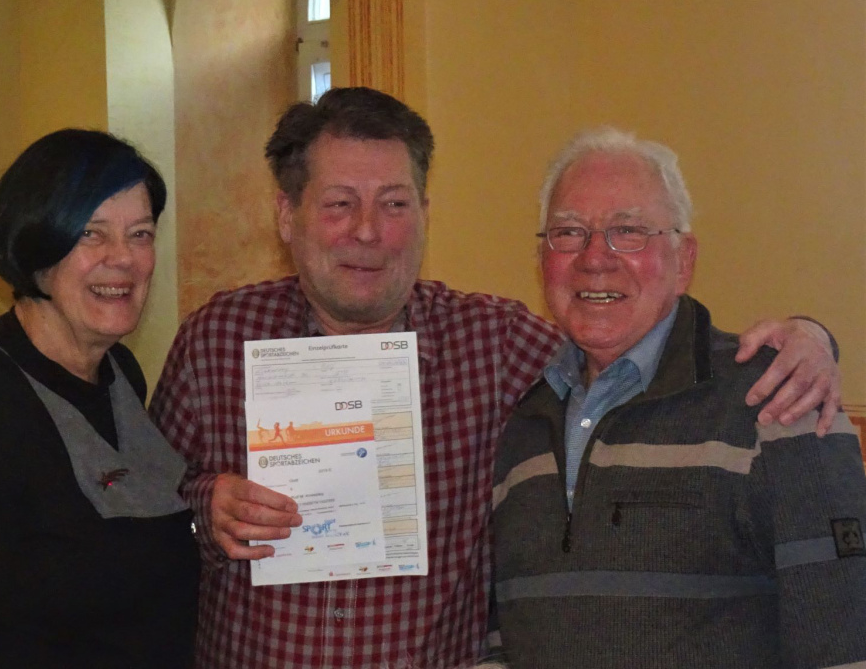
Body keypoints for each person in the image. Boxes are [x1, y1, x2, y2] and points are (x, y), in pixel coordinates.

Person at [149, 88, 842, 668]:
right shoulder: (215, 341)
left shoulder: (497, 344)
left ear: (425, 214)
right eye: (339, 204)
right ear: (286, 215)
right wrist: (207, 508)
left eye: (394, 203)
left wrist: (811, 340)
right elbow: (140, 530)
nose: (368, 231)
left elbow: (619, 329)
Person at [491, 127, 866, 668]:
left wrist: (813, 335)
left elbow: (846, 640)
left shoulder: (779, 399)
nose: (595, 258)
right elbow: (508, 635)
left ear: (684, 260)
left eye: (628, 231)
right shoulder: (522, 424)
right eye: (568, 232)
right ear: (540, 259)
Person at [0, 129, 200, 668]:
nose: (123, 258)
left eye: (140, 234)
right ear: (36, 246)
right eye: (91, 234)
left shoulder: (120, 375)